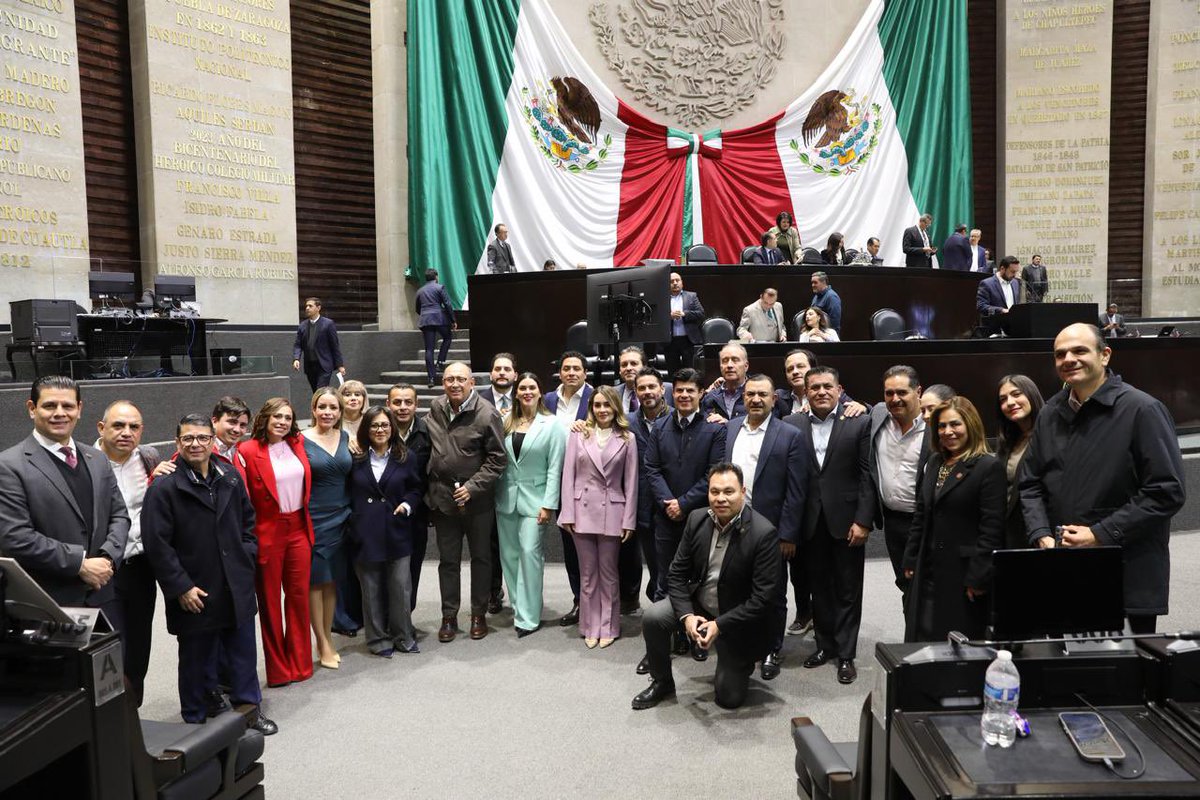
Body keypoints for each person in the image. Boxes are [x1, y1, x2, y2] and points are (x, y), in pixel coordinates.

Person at [1018, 324, 1186, 633]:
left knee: (1130, 672)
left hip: (1127, 568)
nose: (1068, 359)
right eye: (1060, 354)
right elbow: (1030, 482)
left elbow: (1166, 491)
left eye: (1079, 350)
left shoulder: (1143, 410)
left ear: (1105, 355)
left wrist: (1100, 533)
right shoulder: (1050, 412)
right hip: (1065, 565)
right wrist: (1040, 532)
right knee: (1067, 665)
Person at [141, 414, 277, 734]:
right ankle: (194, 720)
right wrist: (181, 587)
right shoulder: (164, 487)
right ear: (177, 443)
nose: (196, 444)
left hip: (235, 580)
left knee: (243, 653)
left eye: (202, 438)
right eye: (188, 439)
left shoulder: (228, 474)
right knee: (195, 659)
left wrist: (247, 557)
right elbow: (157, 545)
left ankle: (249, 711)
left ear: (212, 440)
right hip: (195, 588)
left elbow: (247, 522)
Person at [632, 463, 782, 711]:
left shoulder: (763, 533)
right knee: (654, 617)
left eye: (728, 491)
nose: (720, 498)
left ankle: (740, 662)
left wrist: (719, 625)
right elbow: (677, 574)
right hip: (700, 603)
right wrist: (687, 616)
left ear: (743, 492)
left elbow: (762, 600)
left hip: (736, 619)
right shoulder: (697, 519)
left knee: (728, 699)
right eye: (714, 491)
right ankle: (662, 682)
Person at [0, 376, 129, 626]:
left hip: (103, 593)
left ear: (79, 409)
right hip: (47, 603)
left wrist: (107, 559)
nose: (60, 413)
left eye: (68, 406)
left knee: (111, 664)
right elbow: (14, 536)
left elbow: (119, 515)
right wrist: (80, 564)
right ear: (31, 409)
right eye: (50, 406)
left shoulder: (97, 458)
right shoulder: (8, 465)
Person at [784, 367, 874, 684]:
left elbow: (867, 475)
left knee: (848, 589)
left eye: (827, 386)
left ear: (839, 389)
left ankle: (846, 654)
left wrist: (864, 520)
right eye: (814, 387)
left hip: (848, 520)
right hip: (810, 523)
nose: (821, 391)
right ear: (805, 392)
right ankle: (825, 645)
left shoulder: (859, 422)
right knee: (818, 588)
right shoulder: (791, 424)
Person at [725, 375, 808, 681]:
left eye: (762, 394)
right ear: (743, 398)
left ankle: (773, 648)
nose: (755, 399)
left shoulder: (789, 434)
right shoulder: (732, 428)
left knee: (772, 593)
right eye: (750, 394)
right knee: (736, 587)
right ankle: (744, 644)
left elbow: (796, 491)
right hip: (733, 525)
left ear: (775, 399)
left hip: (772, 529)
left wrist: (788, 534)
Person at [903, 396, 1005, 642]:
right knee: (923, 633)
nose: (947, 432)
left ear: (970, 425)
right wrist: (910, 558)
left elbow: (991, 529)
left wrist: (979, 577)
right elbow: (921, 514)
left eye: (955, 424)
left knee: (958, 642)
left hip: (963, 574)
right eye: (941, 426)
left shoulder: (987, 467)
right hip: (927, 567)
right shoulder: (935, 461)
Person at [425, 362, 506, 642]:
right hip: (444, 501)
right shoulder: (435, 408)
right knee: (448, 562)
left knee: (481, 559)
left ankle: (478, 614)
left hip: (477, 501)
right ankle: (449, 616)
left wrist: (473, 487)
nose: (455, 384)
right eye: (449, 379)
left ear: (472, 382)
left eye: (461, 379)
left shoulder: (487, 413)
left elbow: (498, 460)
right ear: (443, 383)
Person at [239, 398, 314, 687]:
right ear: (265, 418)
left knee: (297, 598)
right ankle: (279, 670)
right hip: (268, 532)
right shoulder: (248, 450)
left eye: (287, 417)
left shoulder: (297, 443)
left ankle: (300, 663)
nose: (282, 422)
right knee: (270, 604)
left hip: (298, 528)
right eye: (277, 417)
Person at [559, 386, 637, 648]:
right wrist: (567, 512)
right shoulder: (579, 435)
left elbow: (632, 483)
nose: (602, 410)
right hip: (581, 511)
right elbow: (568, 476)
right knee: (587, 574)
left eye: (607, 405)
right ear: (591, 407)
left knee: (609, 573)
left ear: (615, 407)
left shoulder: (627, 438)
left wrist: (629, 520)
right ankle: (589, 625)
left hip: (612, 512)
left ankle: (609, 626)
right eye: (597, 405)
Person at [95, 400, 161, 707]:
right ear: (101, 428)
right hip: (103, 569)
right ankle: (112, 719)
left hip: (141, 567)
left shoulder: (148, 459)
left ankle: (133, 712)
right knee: (109, 647)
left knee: (138, 645)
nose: (126, 433)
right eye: (118, 426)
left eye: (134, 427)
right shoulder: (86, 462)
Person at [645, 368, 727, 607]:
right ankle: (667, 636)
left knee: (698, 579)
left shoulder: (715, 428)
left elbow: (713, 472)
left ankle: (693, 635)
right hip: (665, 517)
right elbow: (652, 468)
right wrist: (669, 503)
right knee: (666, 578)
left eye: (690, 390)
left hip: (701, 517)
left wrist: (683, 503)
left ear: (701, 393)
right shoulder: (659, 427)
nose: (683, 395)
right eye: (679, 390)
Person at [348, 406, 423, 657]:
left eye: (384, 425)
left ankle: (403, 636)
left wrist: (408, 504)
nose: (380, 430)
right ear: (366, 429)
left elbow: (416, 488)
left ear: (392, 428)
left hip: (397, 528)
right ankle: (378, 639)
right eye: (374, 425)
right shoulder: (354, 458)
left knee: (401, 587)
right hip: (365, 530)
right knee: (371, 589)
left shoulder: (406, 456)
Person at [495, 373, 566, 638]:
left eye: (532, 387)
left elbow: (555, 467)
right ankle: (519, 606)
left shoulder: (553, 424)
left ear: (540, 392)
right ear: (516, 392)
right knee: (510, 557)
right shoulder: (505, 421)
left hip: (536, 501)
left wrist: (549, 504)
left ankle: (529, 616)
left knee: (529, 554)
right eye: (522, 387)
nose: (527, 391)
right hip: (506, 498)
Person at [867, 365, 930, 611]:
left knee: (928, 584)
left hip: (925, 521)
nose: (895, 399)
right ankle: (912, 638)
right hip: (893, 522)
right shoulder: (879, 415)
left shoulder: (934, 425)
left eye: (902, 392)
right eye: (889, 393)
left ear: (918, 392)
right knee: (905, 582)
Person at [302, 388, 352, 670]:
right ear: (313, 409)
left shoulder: (346, 437)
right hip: (314, 517)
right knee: (315, 581)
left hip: (342, 516)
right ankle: (321, 640)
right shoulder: (300, 439)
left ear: (340, 411)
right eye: (322, 407)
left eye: (333, 408)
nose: (327, 413)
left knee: (333, 580)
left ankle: (328, 636)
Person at [545, 350, 595, 624]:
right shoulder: (548, 400)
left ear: (585, 373)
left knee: (592, 545)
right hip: (558, 482)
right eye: (567, 368)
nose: (571, 373)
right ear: (560, 372)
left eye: (577, 368)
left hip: (590, 484)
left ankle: (598, 601)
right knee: (569, 545)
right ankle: (579, 600)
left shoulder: (596, 398)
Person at [628, 368, 672, 657]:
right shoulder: (628, 422)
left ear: (662, 389)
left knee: (672, 576)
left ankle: (671, 636)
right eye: (641, 388)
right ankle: (660, 636)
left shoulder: (674, 418)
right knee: (656, 573)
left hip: (672, 506)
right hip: (643, 507)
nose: (647, 392)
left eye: (651, 387)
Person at [478, 351, 518, 612]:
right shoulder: (478, 400)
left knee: (516, 542)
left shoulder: (527, 397)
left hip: (517, 480)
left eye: (507, 369)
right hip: (486, 480)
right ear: (491, 374)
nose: (502, 373)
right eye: (497, 369)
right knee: (489, 540)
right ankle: (494, 591)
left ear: (515, 374)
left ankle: (521, 593)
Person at [386, 383, 431, 608]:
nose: (402, 407)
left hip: (416, 514)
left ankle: (406, 619)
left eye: (408, 402)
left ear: (416, 405)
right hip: (383, 513)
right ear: (388, 404)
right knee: (384, 572)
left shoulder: (427, 433)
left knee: (413, 569)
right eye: (397, 402)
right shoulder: (378, 430)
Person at [995, 375, 1044, 549]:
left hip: (1039, 534)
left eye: (1016, 394)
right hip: (1009, 535)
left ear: (1031, 395)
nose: (1009, 402)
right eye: (1003, 399)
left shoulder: (1048, 435)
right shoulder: (1007, 442)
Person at [291, 297, 346, 392]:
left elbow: (334, 346)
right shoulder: (303, 326)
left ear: (318, 308)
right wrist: (296, 358)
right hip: (310, 365)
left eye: (310, 306)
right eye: (306, 306)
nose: (307, 308)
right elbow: (298, 344)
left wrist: (340, 365)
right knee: (315, 391)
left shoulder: (328, 324)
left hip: (324, 365)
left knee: (320, 390)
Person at [414, 268, 457, 387]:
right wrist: (453, 320)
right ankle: (440, 362)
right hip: (439, 319)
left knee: (429, 349)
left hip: (425, 320)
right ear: (436, 277)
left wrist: (425, 314)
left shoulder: (420, 291)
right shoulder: (440, 287)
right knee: (447, 338)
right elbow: (447, 304)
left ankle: (431, 378)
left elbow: (417, 308)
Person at [663, 272, 705, 374]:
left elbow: (701, 314)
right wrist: (669, 316)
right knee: (673, 372)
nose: (675, 283)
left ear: (682, 283)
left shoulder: (691, 296)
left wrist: (684, 314)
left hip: (688, 340)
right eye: (671, 281)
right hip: (670, 341)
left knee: (690, 372)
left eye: (677, 280)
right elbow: (658, 317)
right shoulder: (663, 298)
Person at [701, 341, 750, 423]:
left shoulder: (757, 394)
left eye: (735, 360)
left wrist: (728, 424)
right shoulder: (710, 397)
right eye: (725, 361)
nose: (729, 365)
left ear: (746, 366)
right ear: (720, 367)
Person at [337, 380, 368, 445]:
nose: (353, 398)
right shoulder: (334, 421)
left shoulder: (370, 419)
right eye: (347, 395)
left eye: (357, 395)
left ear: (364, 398)